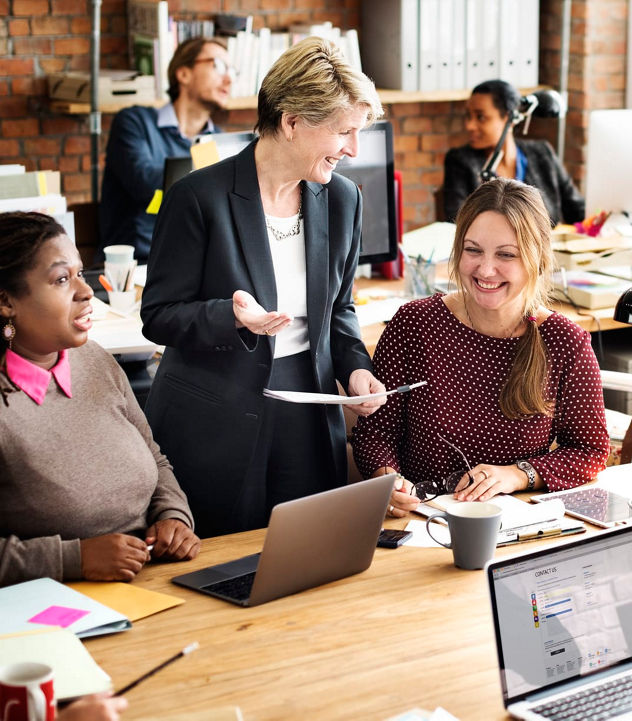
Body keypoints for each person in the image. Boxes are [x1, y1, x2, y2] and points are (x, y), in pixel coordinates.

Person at [140, 38, 387, 537]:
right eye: (343, 132)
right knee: (217, 564)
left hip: (308, 408)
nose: (354, 150)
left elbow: (340, 308)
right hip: (215, 412)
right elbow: (159, 314)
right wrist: (228, 316)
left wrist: (356, 370)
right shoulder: (197, 197)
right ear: (291, 121)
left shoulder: (342, 199)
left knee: (307, 554)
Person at [352, 178, 608, 509]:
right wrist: (388, 480)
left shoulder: (564, 341)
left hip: (514, 520)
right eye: (473, 250)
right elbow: (375, 435)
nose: (486, 270)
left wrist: (517, 475)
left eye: (506, 255)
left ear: (538, 260)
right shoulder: (414, 324)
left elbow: (590, 451)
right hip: (421, 518)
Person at [0, 212, 199, 586]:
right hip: (54, 603)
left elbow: (155, 460)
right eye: (61, 279)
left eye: (80, 273)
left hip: (153, 581)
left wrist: (173, 516)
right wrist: (73, 559)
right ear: (6, 302)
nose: (86, 290)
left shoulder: (95, 359)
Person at [100, 36, 233, 262]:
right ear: (183, 74)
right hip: (138, 263)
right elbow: (146, 186)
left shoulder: (220, 139)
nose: (229, 79)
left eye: (233, 71)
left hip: (196, 262)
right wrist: (215, 171)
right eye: (217, 66)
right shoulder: (134, 122)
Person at [442, 79, 585, 226]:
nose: (469, 125)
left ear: (509, 118)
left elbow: (577, 211)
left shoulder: (542, 152)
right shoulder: (459, 161)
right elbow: (457, 224)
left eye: (481, 117)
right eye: (468, 116)